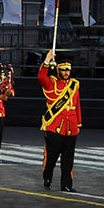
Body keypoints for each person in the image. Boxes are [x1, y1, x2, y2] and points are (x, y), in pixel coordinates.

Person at [39, 50, 82, 192]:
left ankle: (66, 184)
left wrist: (78, 123)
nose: (66, 72)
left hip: (71, 126)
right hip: (55, 126)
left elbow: (77, 105)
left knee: (68, 159)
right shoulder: (52, 83)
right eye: (63, 69)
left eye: (68, 70)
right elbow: (41, 77)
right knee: (52, 157)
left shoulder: (74, 85)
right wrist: (47, 60)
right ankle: (47, 177)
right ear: (58, 70)